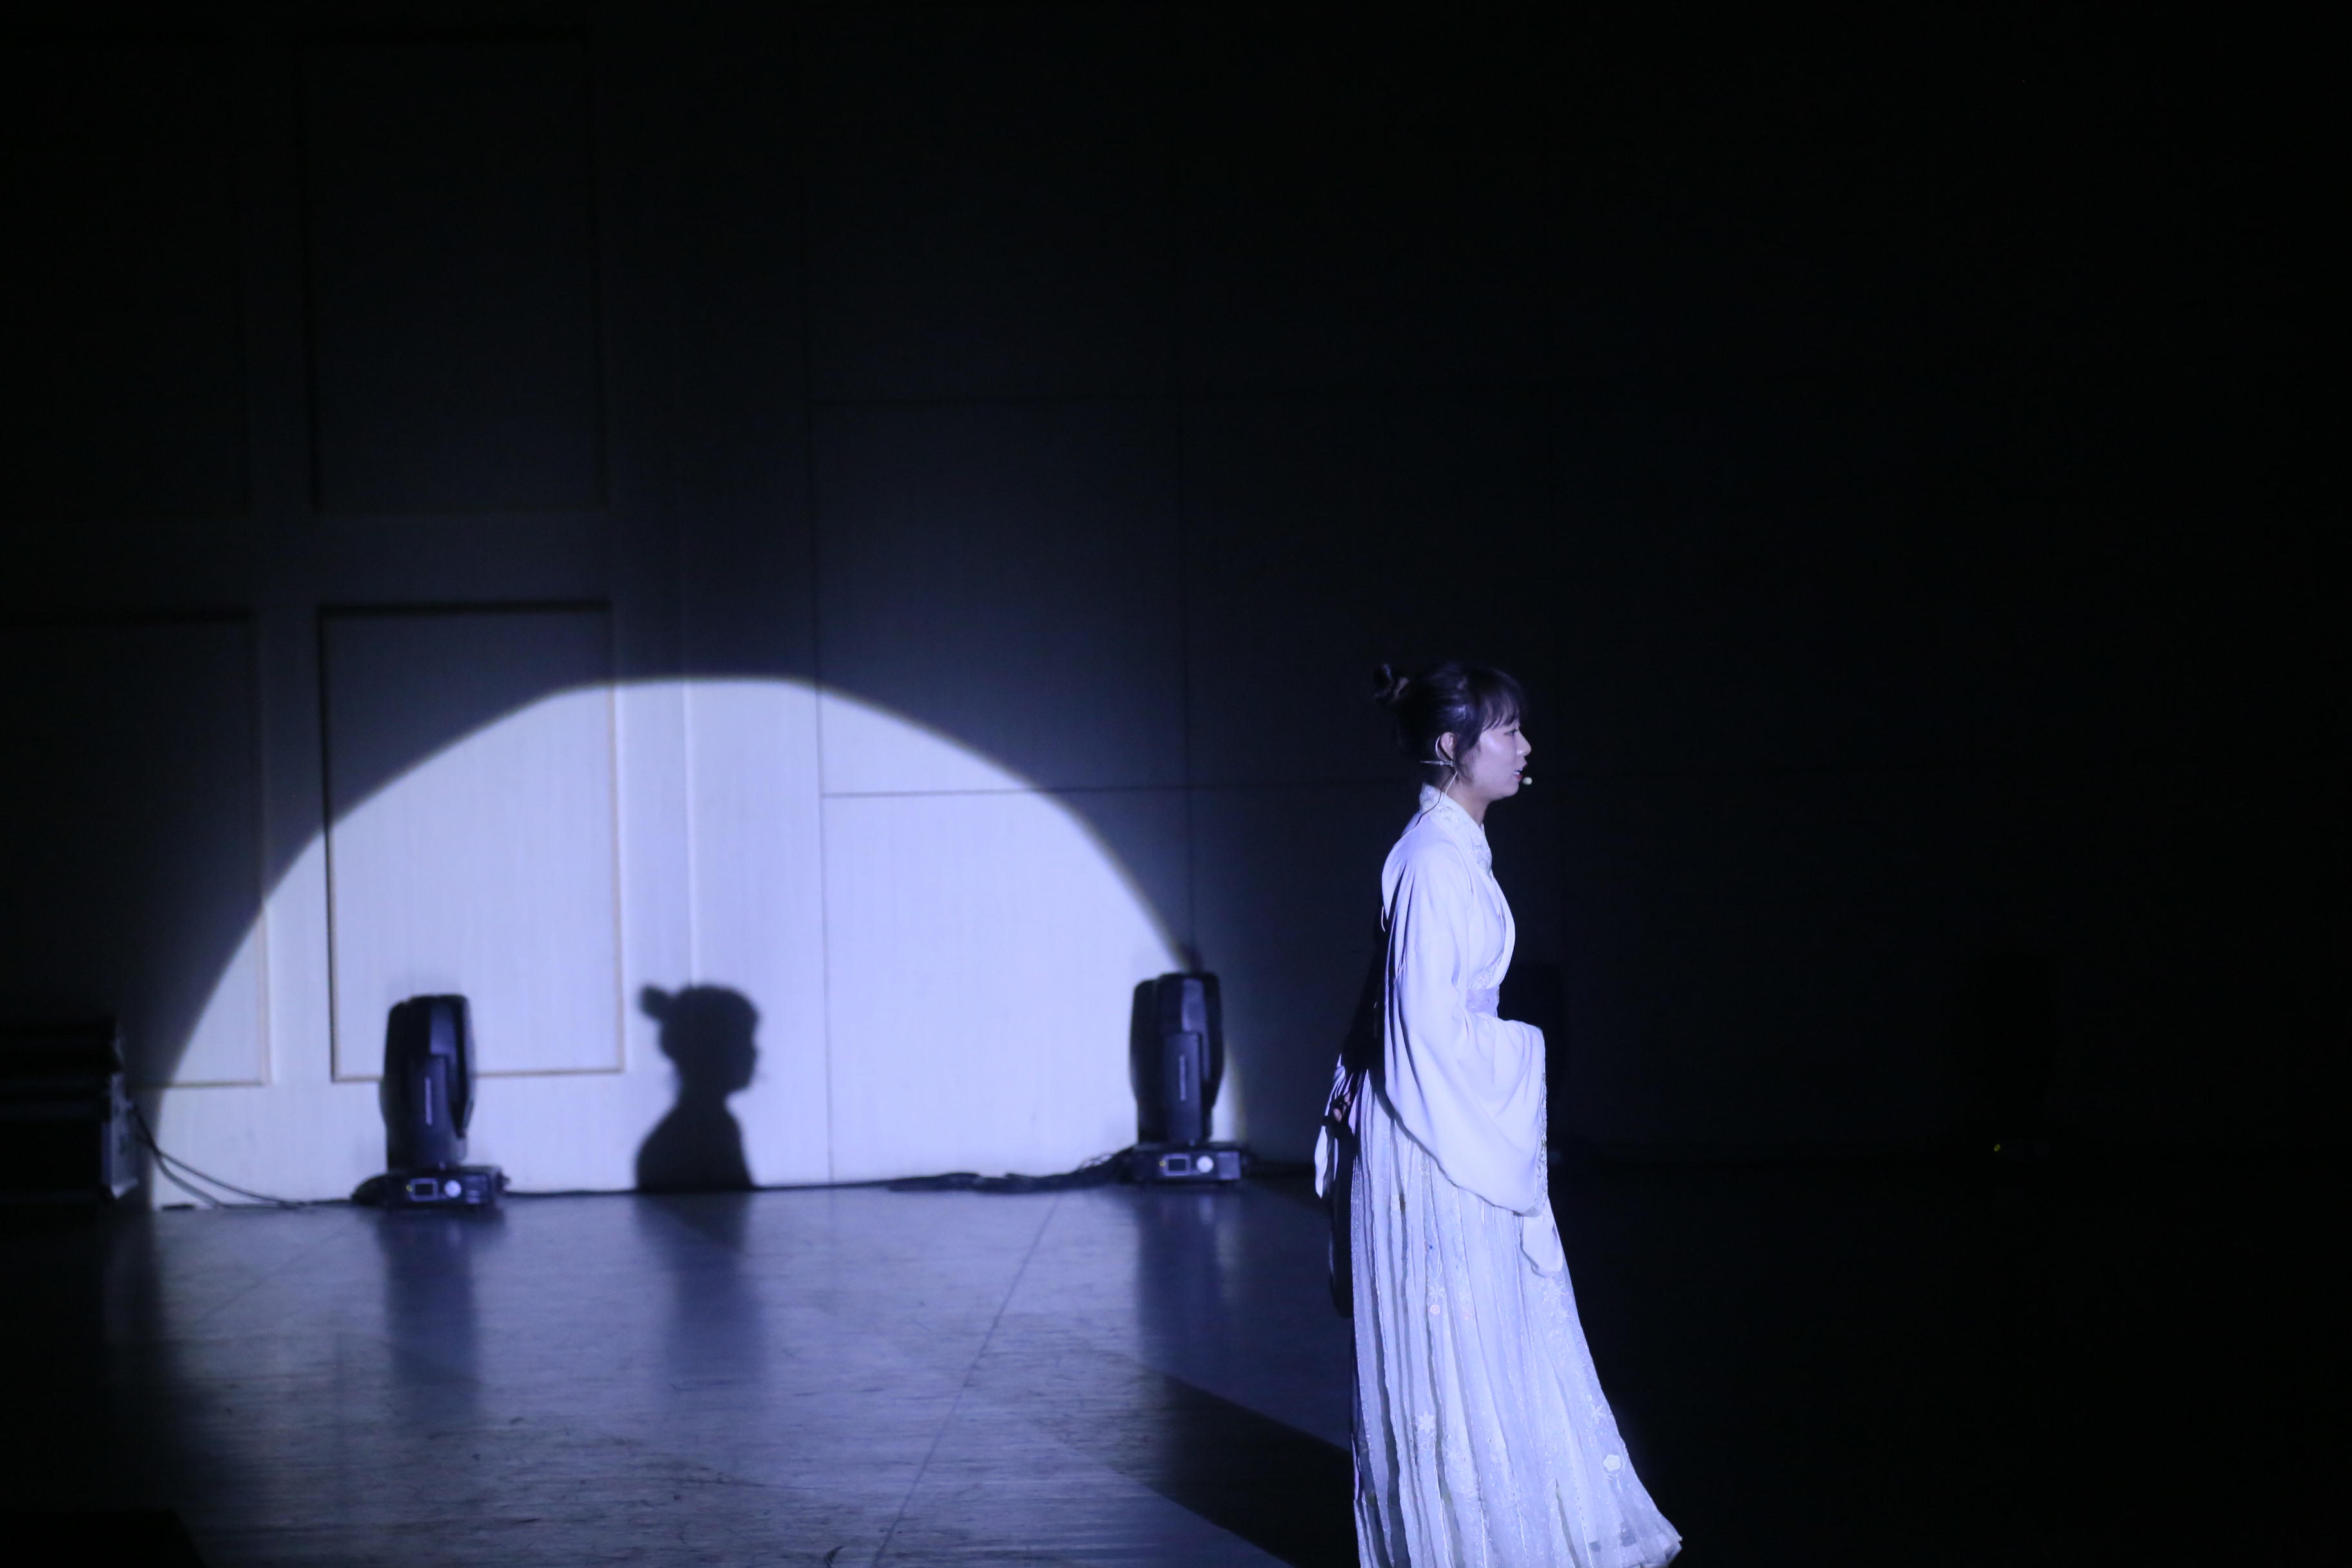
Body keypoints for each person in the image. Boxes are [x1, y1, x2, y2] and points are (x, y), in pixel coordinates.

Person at [1317, 662, 1680, 1567]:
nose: (1525, 746)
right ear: (1453, 747)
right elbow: (1424, 1029)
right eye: (1507, 730)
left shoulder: (1453, 851)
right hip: (1434, 1131)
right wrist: (1526, 1048)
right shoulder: (1432, 862)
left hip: (1447, 1117)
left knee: (1486, 1338)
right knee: (1457, 1344)